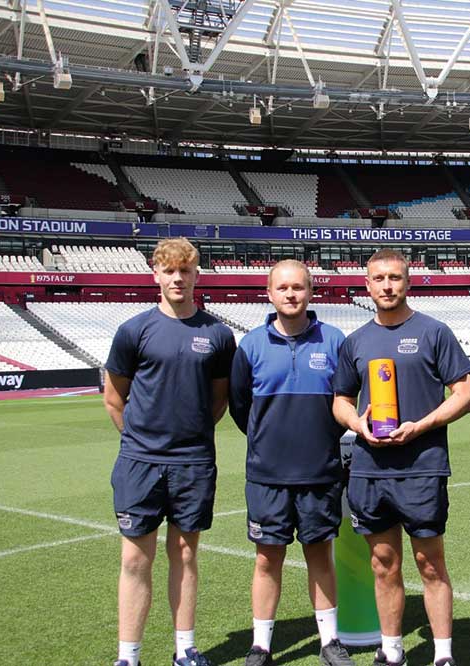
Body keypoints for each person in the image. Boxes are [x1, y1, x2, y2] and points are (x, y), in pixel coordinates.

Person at [332, 249, 470, 666]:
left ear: (408, 282)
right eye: (379, 279)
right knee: (383, 563)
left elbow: (465, 395)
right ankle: (391, 650)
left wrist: (421, 425)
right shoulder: (356, 341)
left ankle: (443, 654)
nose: (387, 285)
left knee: (430, 563)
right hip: (370, 469)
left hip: (422, 466)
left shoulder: (434, 332)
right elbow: (340, 401)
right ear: (367, 285)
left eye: (395, 277)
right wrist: (358, 425)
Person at [103, 238, 237, 666]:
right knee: (134, 558)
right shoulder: (133, 330)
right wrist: (139, 441)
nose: (178, 278)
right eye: (169, 270)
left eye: (185, 270)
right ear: (155, 275)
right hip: (140, 462)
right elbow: (114, 399)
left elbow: (218, 400)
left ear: (197, 275)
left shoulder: (217, 335)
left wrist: (189, 436)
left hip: (192, 463)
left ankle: (185, 650)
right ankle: (129, 657)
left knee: (185, 553)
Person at [228, 260, 354, 666]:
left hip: (320, 472)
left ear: (310, 292)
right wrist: (268, 441)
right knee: (268, 558)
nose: (291, 294)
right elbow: (240, 407)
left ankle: (329, 642)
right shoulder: (250, 346)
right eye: (282, 287)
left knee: (320, 554)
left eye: (298, 287)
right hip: (267, 474)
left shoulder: (334, 341)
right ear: (269, 293)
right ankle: (261, 645)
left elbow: (347, 400)